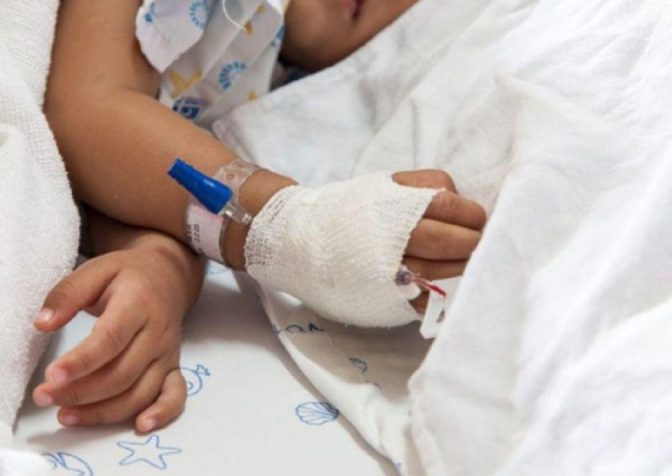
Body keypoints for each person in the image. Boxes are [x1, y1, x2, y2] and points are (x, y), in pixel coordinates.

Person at [31, 0, 487, 433]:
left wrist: (156, 261)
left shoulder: (273, 91)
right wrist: (292, 226)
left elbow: (131, 173)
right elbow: (86, 107)